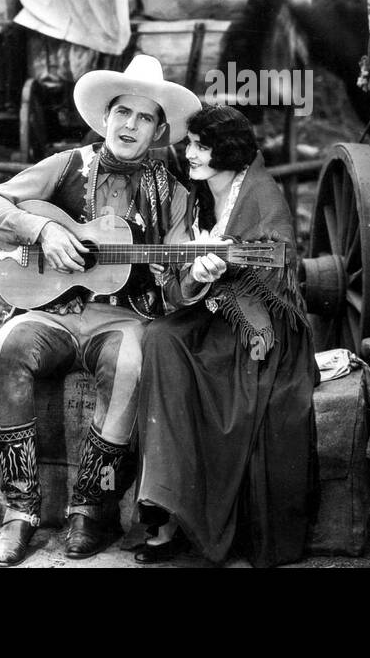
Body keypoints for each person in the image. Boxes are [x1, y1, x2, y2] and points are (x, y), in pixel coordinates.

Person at [0, 54, 206, 566]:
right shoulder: (66, 165)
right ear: (106, 117)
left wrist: (197, 274)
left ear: (159, 130)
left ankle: (90, 509)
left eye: (145, 118)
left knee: (130, 364)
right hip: (51, 312)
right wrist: (43, 230)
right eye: (123, 112)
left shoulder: (176, 196)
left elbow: (178, 287)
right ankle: (20, 509)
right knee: (5, 348)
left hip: (122, 318)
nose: (130, 125)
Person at [134, 104, 319, 567]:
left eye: (201, 146)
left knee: (208, 366)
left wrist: (227, 264)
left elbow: (280, 267)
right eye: (190, 144)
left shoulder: (260, 194)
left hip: (258, 326)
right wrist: (196, 274)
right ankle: (164, 508)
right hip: (213, 312)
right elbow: (176, 284)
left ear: (229, 152)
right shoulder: (194, 197)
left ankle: (192, 518)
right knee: (160, 338)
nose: (190, 153)